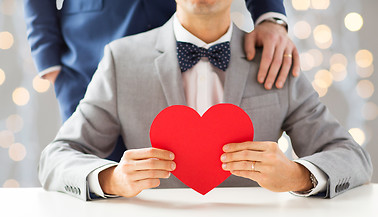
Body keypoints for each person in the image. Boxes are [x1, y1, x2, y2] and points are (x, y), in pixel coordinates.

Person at [40, 0, 372, 201]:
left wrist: (298, 175)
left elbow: (353, 158)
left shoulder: (274, 60)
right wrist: (110, 179)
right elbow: (55, 158)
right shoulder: (121, 61)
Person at [24, 0, 299, 122]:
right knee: (96, 178)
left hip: (185, 40)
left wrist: (269, 16)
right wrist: (48, 60)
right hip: (87, 55)